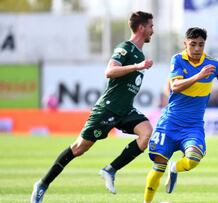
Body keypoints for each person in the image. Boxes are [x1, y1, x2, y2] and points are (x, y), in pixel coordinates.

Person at [31, 11, 154, 203]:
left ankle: (110, 170)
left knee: (146, 133)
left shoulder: (139, 54)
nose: (152, 31)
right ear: (141, 28)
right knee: (79, 147)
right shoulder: (125, 48)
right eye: (150, 27)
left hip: (125, 109)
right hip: (108, 109)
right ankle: (42, 184)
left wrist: (138, 65)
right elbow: (109, 71)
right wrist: (136, 66)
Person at [143, 27, 218, 203]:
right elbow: (175, 86)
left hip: (193, 126)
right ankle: (147, 202)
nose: (197, 48)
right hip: (170, 123)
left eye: (201, 44)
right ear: (185, 44)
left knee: (193, 159)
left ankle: (175, 168)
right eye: (193, 44)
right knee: (158, 165)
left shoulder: (214, 64)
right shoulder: (177, 60)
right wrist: (198, 76)